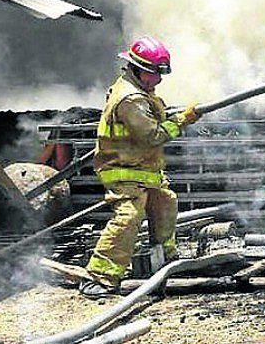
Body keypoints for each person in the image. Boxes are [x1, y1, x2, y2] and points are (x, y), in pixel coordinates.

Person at [80, 36, 200, 298]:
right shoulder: (130, 99)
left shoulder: (140, 91)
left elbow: (152, 120)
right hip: (123, 171)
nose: (159, 79)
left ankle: (165, 261)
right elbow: (153, 136)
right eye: (155, 72)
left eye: (161, 73)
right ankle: (100, 277)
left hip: (142, 168)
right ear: (138, 68)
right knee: (129, 217)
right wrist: (182, 121)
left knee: (165, 203)